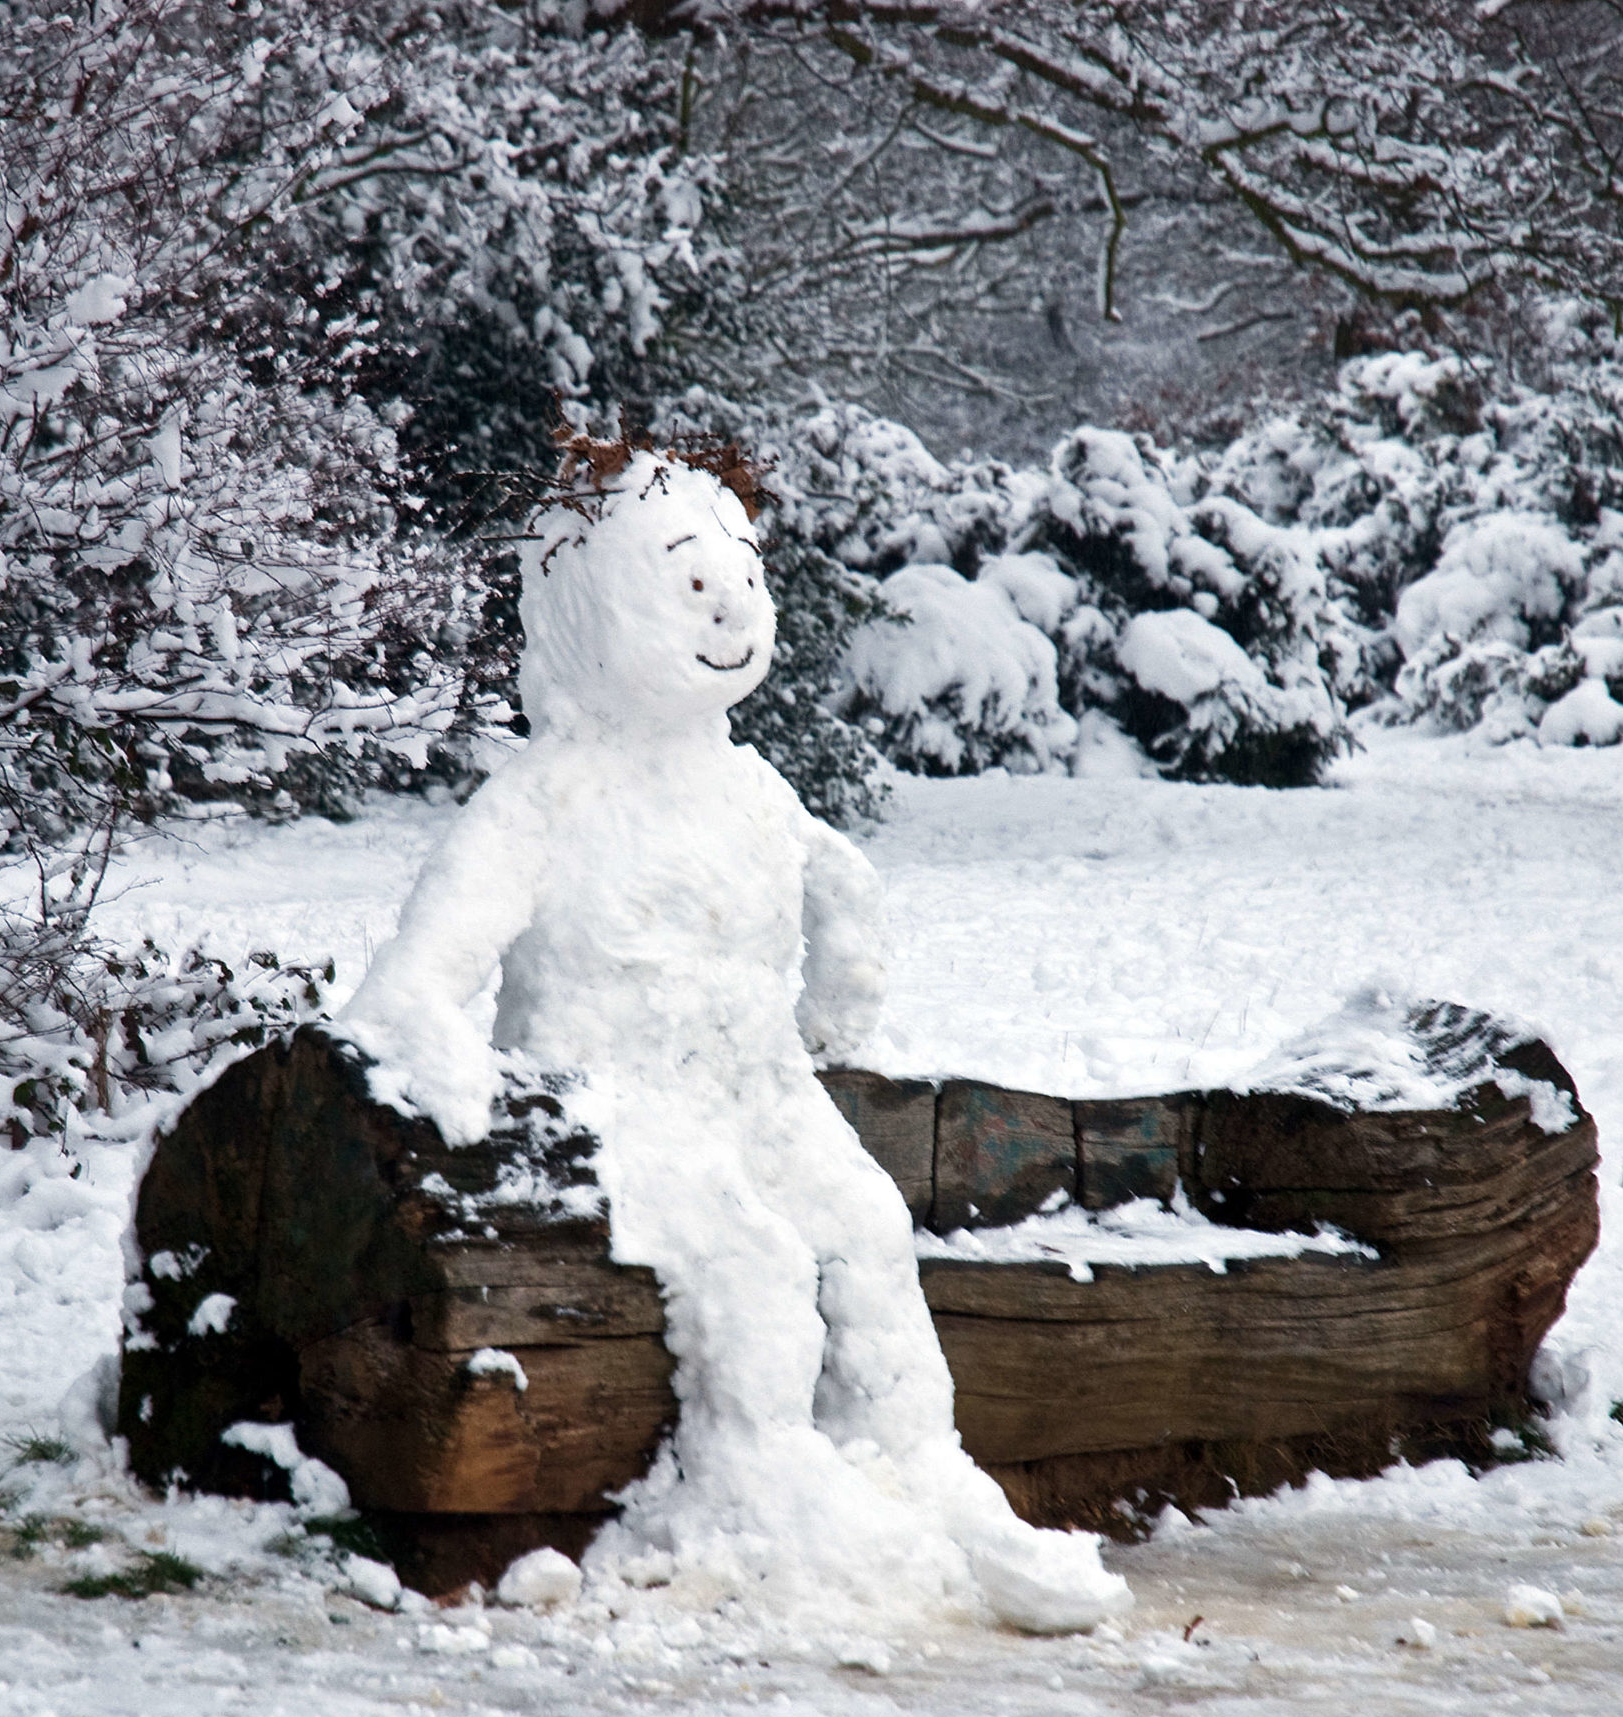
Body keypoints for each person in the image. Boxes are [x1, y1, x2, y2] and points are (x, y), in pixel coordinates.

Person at [338, 440, 1130, 1632]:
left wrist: (833, 996)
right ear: (586, 606)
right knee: (755, 1266)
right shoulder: (547, 798)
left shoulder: (750, 788)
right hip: (617, 1103)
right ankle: (762, 1486)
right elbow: (417, 983)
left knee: (865, 1224)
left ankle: (918, 1468)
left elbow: (835, 911)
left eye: (741, 576)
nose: (728, 606)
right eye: (685, 583)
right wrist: (448, 1071)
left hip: (755, 1086)